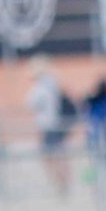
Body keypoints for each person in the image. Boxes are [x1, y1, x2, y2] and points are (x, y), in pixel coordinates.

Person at [26, 56, 74, 196]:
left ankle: (60, 184)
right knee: (59, 155)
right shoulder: (53, 83)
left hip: (49, 126)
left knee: (52, 156)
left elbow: (31, 104)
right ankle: (63, 184)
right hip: (56, 124)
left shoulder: (41, 87)